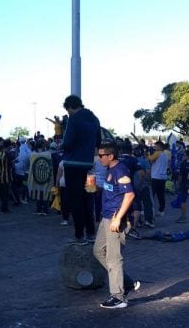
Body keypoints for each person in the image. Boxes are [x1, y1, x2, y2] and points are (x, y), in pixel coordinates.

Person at [93, 142, 140, 309]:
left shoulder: (120, 170)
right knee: (98, 251)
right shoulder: (110, 170)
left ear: (110, 156)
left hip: (115, 218)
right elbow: (113, 191)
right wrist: (96, 188)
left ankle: (118, 296)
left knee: (114, 258)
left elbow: (129, 194)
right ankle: (126, 282)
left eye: (101, 155)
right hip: (106, 217)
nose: (99, 159)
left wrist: (118, 218)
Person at [61, 95, 101, 245]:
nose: (69, 113)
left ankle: (79, 235)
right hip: (89, 166)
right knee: (88, 198)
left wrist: (63, 147)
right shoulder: (95, 119)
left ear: (70, 107)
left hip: (72, 166)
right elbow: (98, 141)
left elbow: (68, 142)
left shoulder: (74, 119)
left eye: (68, 110)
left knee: (75, 200)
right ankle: (91, 233)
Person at [148, 141, 171, 216]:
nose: (154, 147)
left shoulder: (158, 153)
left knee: (152, 195)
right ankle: (162, 210)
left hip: (156, 177)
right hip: (163, 177)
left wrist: (148, 154)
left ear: (159, 146)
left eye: (155, 146)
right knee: (161, 195)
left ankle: (151, 210)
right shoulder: (164, 154)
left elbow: (150, 159)